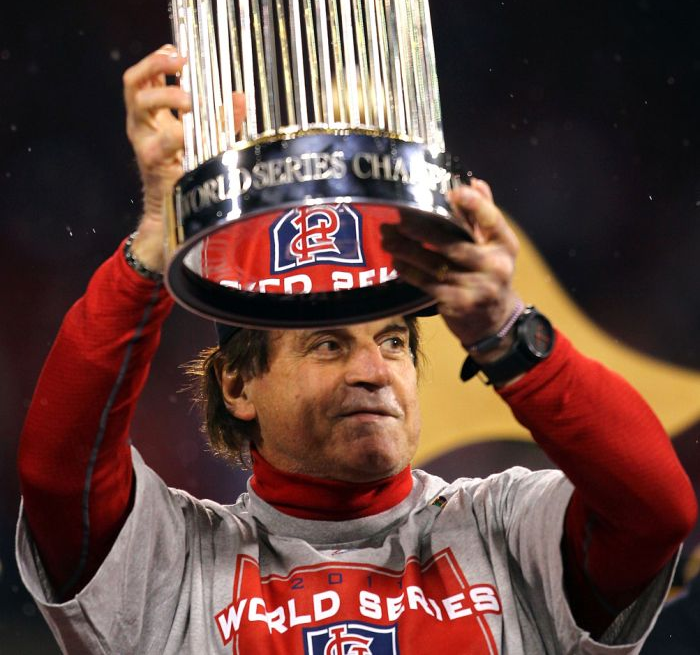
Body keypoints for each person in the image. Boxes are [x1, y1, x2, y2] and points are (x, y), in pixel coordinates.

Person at [16, 46, 697, 654]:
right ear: (236, 385)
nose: (372, 371)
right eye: (326, 345)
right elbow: (55, 472)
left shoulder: (503, 525)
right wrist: (152, 248)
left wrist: (507, 333)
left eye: (394, 341)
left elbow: (656, 510)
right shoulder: (175, 561)